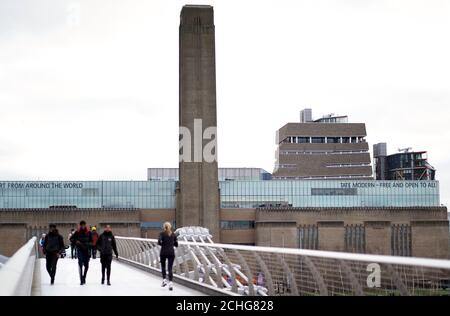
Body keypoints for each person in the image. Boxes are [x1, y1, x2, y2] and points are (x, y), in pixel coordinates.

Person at [70, 220, 93, 285]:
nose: (83, 226)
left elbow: (92, 242)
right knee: (80, 263)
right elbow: (71, 239)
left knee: (86, 266)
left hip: (86, 250)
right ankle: (81, 280)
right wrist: (76, 241)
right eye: (81, 225)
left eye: (84, 225)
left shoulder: (89, 232)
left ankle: (84, 276)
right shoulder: (77, 232)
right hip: (80, 250)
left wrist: (88, 244)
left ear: (85, 225)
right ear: (80, 225)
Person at [158, 222, 178, 291]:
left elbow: (159, 242)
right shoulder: (173, 234)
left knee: (163, 266)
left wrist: (163, 244)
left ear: (164, 227)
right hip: (171, 252)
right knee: (170, 268)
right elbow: (176, 244)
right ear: (170, 227)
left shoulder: (161, 234)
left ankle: (164, 280)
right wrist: (171, 245)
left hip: (163, 252)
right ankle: (171, 283)